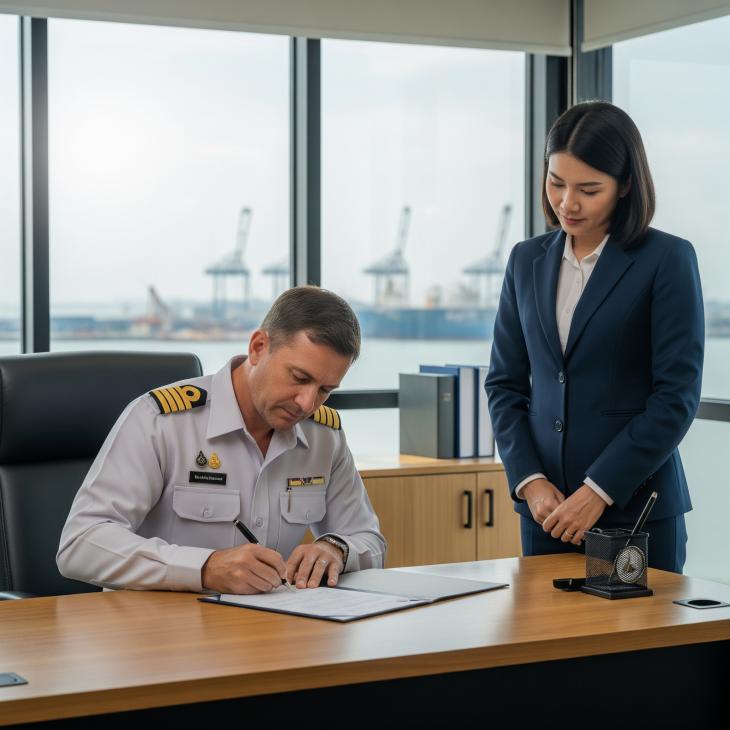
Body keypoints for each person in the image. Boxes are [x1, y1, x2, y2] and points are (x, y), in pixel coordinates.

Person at [485, 101, 704, 573]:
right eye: (556, 182)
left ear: (625, 186)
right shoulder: (526, 260)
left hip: (635, 513)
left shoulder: (667, 259)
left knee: (641, 648)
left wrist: (599, 490)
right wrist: (529, 480)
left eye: (588, 189)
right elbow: (504, 384)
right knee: (548, 647)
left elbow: (676, 397)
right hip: (547, 515)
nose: (567, 203)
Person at [57, 286, 386, 594]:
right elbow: (81, 544)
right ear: (258, 348)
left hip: (269, 632)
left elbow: (369, 540)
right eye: (299, 378)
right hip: (156, 636)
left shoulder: (324, 436)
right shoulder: (161, 421)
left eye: (325, 390)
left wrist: (337, 549)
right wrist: (204, 568)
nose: (307, 403)